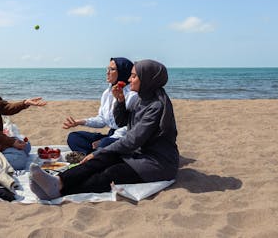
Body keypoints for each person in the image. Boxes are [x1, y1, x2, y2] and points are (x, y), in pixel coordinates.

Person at [29, 59, 179, 200]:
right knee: (102, 159)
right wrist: (120, 101)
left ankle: (60, 191)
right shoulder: (142, 99)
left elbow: (133, 140)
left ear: (146, 79)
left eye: (134, 76)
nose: (129, 80)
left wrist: (100, 151)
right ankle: (58, 181)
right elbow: (122, 122)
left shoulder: (156, 106)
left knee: (111, 172)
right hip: (138, 154)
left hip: (157, 162)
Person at [63, 57, 138, 155]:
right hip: (110, 136)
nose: (107, 72)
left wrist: (108, 139)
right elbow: (102, 120)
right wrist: (80, 122)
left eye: (112, 69)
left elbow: (130, 126)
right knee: (74, 137)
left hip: (123, 138)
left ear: (123, 72)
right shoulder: (107, 93)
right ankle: (92, 156)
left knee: (104, 143)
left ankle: (96, 156)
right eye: (108, 69)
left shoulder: (132, 95)